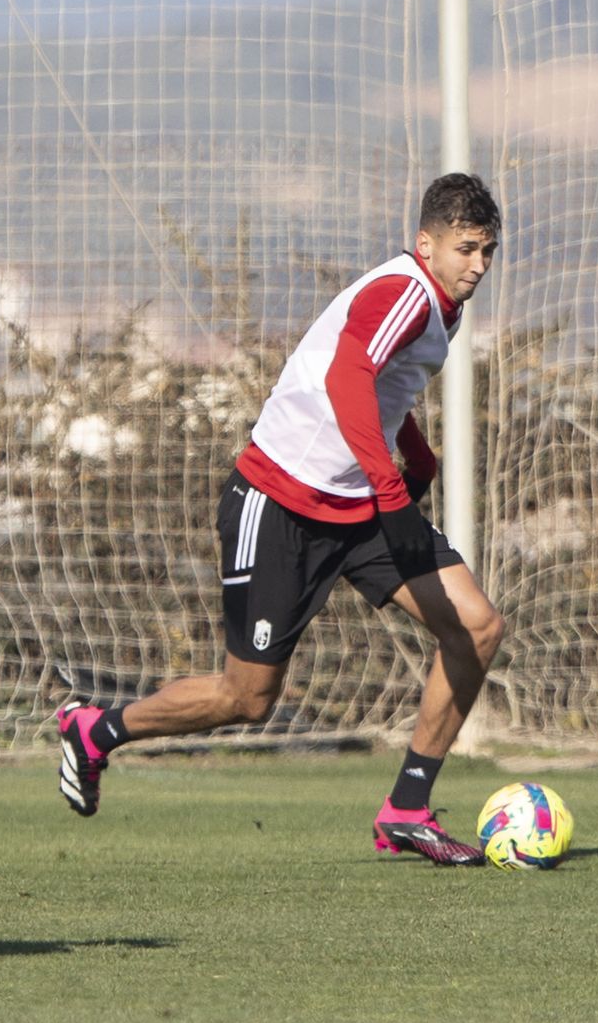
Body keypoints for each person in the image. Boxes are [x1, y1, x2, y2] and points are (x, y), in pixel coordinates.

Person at [57, 173, 503, 865]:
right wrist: (394, 490)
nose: (477, 265)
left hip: (357, 509)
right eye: (465, 249)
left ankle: (407, 809)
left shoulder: (441, 304)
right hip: (281, 504)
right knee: (246, 697)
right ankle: (96, 731)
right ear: (426, 244)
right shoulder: (405, 293)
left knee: (476, 627)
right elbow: (347, 376)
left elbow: (386, 386)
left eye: (487, 252)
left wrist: (416, 459)